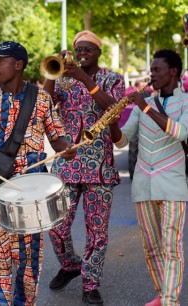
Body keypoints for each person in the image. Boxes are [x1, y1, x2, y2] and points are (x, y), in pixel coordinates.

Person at [0, 41, 76, 305]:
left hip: (31, 193)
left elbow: (57, 138)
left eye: (0, 60)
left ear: (18, 65)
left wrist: (67, 148)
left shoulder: (42, 98)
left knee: (28, 264)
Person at [43, 30, 125, 306]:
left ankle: (90, 283)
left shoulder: (113, 79)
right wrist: (52, 73)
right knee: (55, 227)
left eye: (89, 49)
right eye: (79, 49)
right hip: (66, 165)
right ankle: (70, 265)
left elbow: (113, 109)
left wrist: (84, 79)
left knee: (97, 232)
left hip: (100, 168)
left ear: (99, 52)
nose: (82, 54)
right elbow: (43, 106)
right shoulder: (63, 80)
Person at [110, 49, 187, 306]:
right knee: (152, 248)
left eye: (157, 70)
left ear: (173, 71)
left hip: (173, 185)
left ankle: (169, 301)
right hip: (143, 185)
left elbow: (179, 132)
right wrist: (111, 123)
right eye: (151, 70)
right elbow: (123, 139)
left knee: (172, 248)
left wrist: (144, 106)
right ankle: (162, 293)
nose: (151, 74)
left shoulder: (185, 103)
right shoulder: (143, 106)